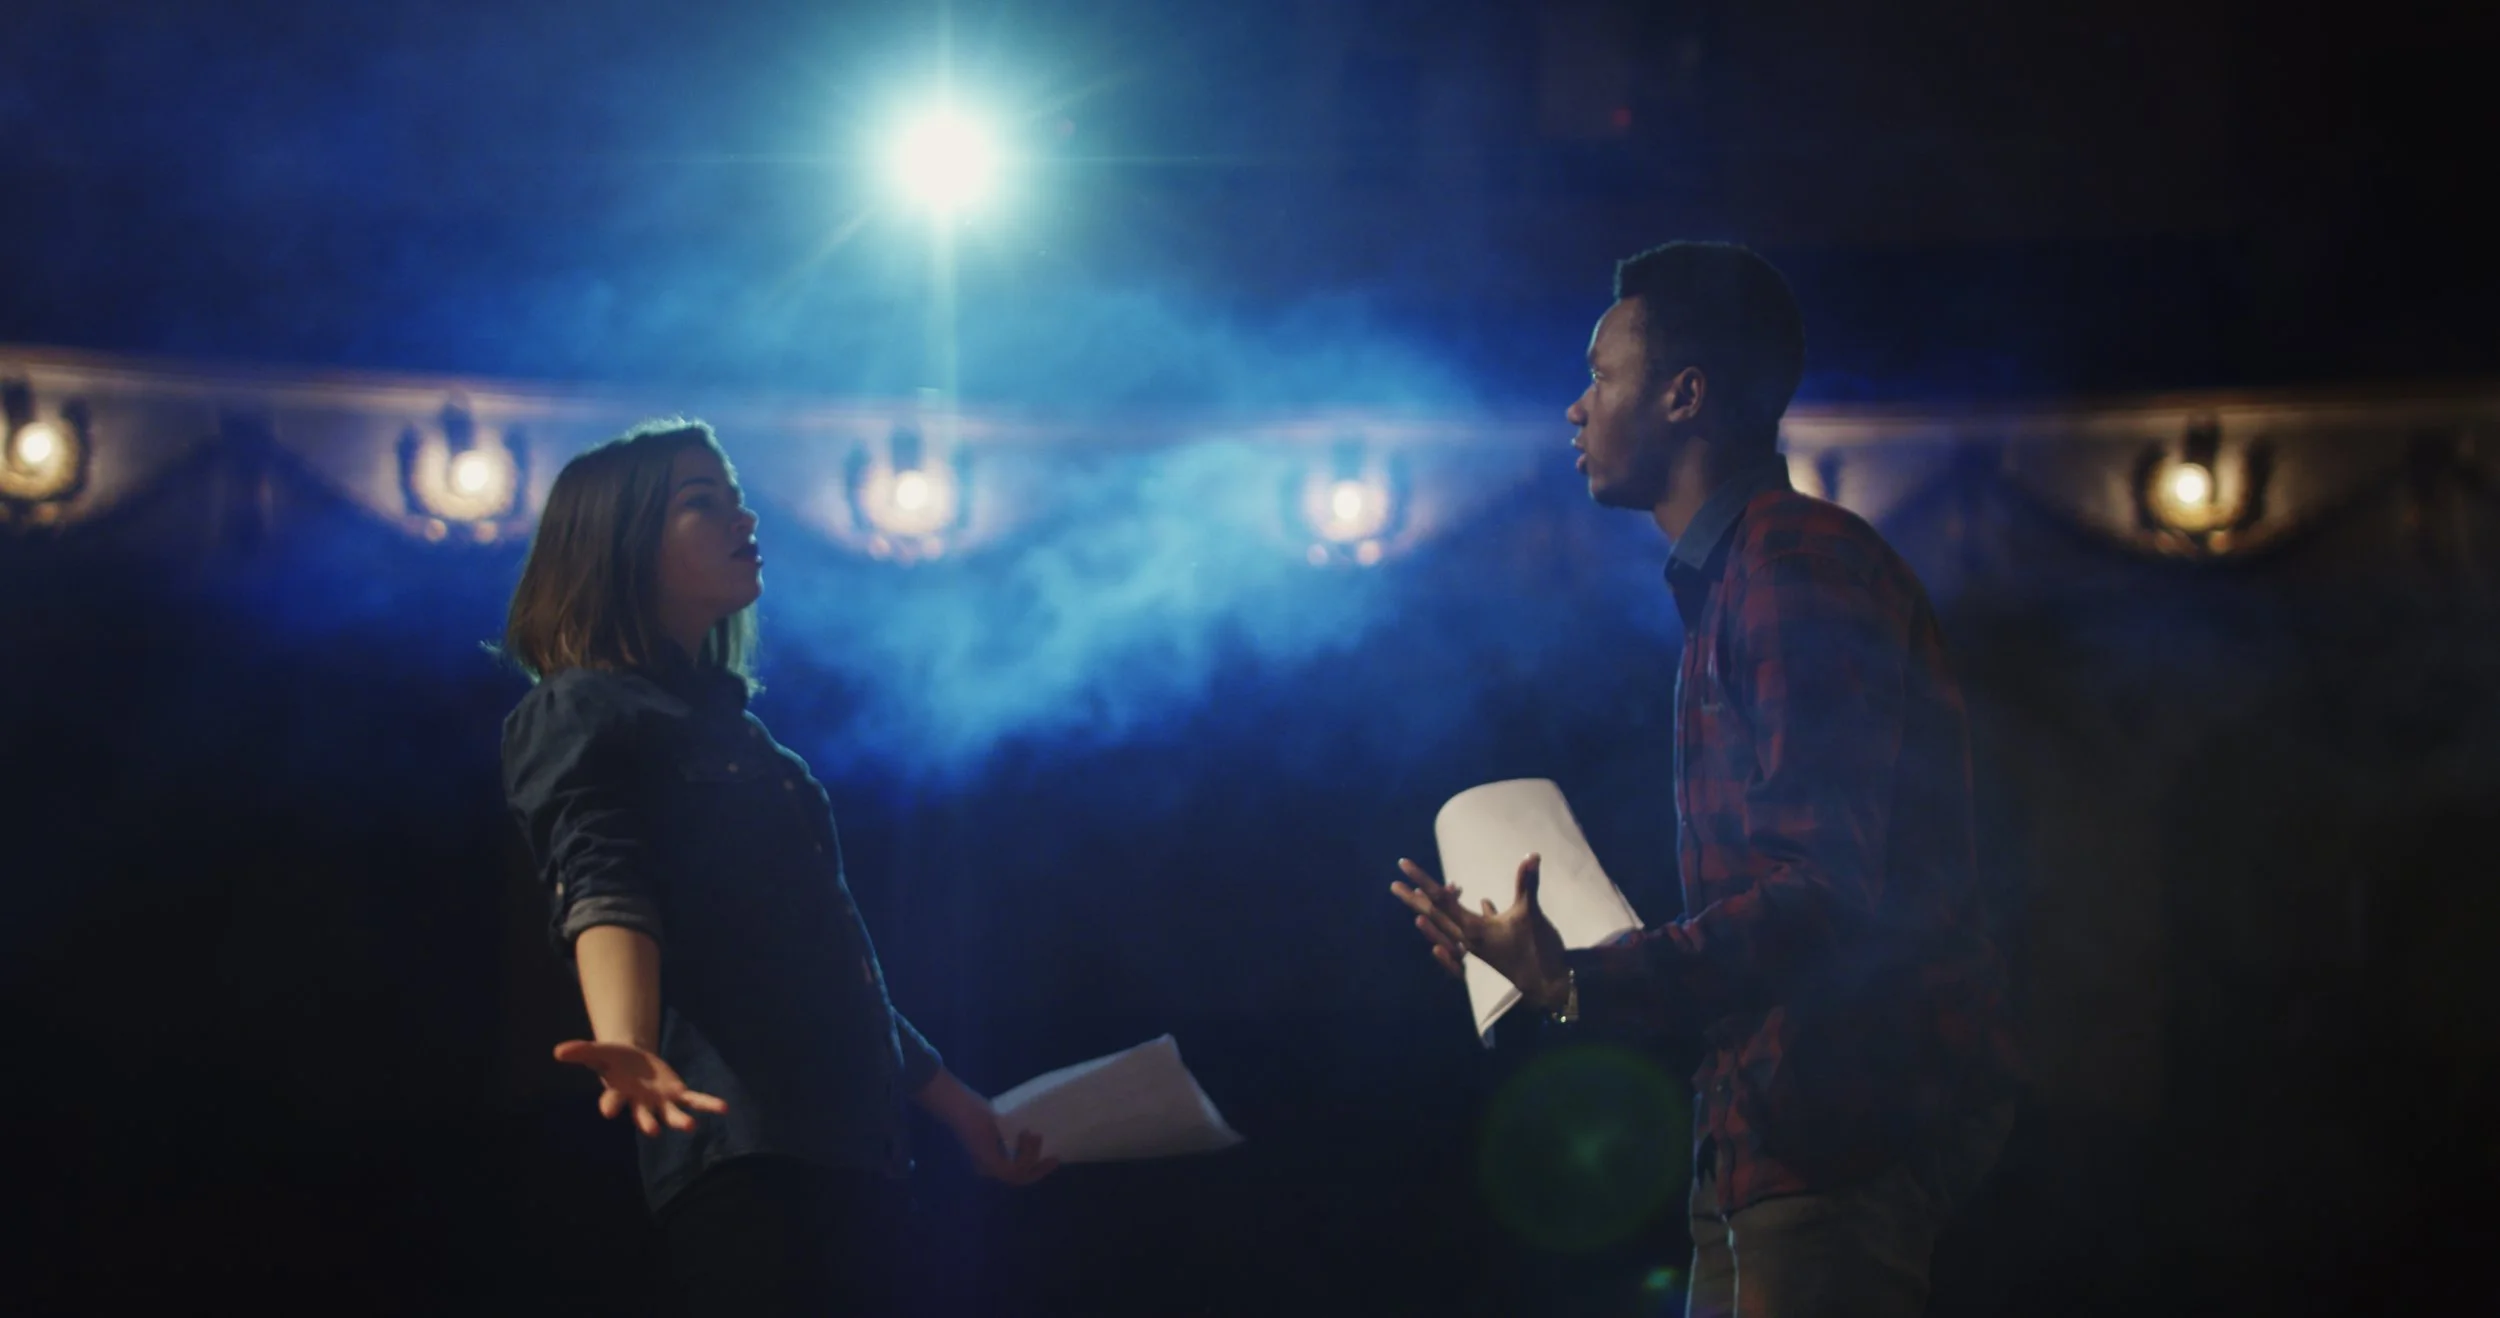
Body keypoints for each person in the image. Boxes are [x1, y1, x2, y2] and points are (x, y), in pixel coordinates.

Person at [1391, 242, 2018, 1318]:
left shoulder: (1794, 567)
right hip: (1765, 1142)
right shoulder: (1742, 579)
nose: (1575, 409)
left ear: (1685, 395)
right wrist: (1551, 964)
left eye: (1602, 373)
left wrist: (1578, 976)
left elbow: (1822, 894)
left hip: (1838, 1130)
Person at [499, 418, 1055, 1316]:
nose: (742, 515)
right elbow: (601, 879)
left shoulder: (755, 747)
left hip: (855, 1156)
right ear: (622, 541)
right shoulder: (582, 708)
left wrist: (961, 1111)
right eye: (701, 502)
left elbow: (828, 963)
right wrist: (629, 1041)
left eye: (736, 496)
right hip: (748, 1155)